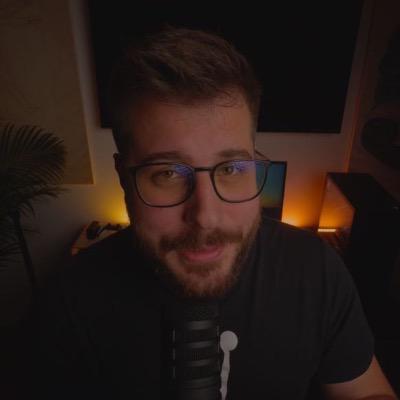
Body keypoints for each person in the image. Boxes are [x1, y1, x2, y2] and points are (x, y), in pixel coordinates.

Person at [26, 27, 398, 399]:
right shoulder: (69, 302)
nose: (205, 217)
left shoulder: (315, 271)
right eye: (168, 173)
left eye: (231, 168)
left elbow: (366, 392)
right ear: (124, 178)